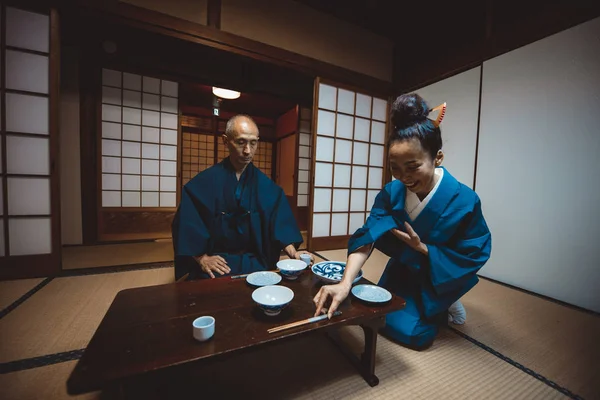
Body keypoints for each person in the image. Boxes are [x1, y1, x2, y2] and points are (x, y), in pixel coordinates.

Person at [313, 93, 491, 349]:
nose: (403, 176)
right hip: (403, 267)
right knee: (376, 314)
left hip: (438, 275)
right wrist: (345, 282)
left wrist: (424, 249)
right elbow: (367, 237)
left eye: (412, 166)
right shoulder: (391, 193)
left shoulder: (465, 200)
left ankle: (449, 298)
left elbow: (473, 252)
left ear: (437, 158)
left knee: (415, 336)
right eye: (394, 167)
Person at [172, 114, 312, 281]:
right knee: (206, 287)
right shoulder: (205, 182)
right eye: (240, 142)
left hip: (254, 259)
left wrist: (293, 252)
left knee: (268, 281)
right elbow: (188, 222)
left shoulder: (265, 186)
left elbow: (278, 221)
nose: (247, 150)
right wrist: (201, 258)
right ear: (225, 141)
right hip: (218, 259)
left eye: (253, 143)